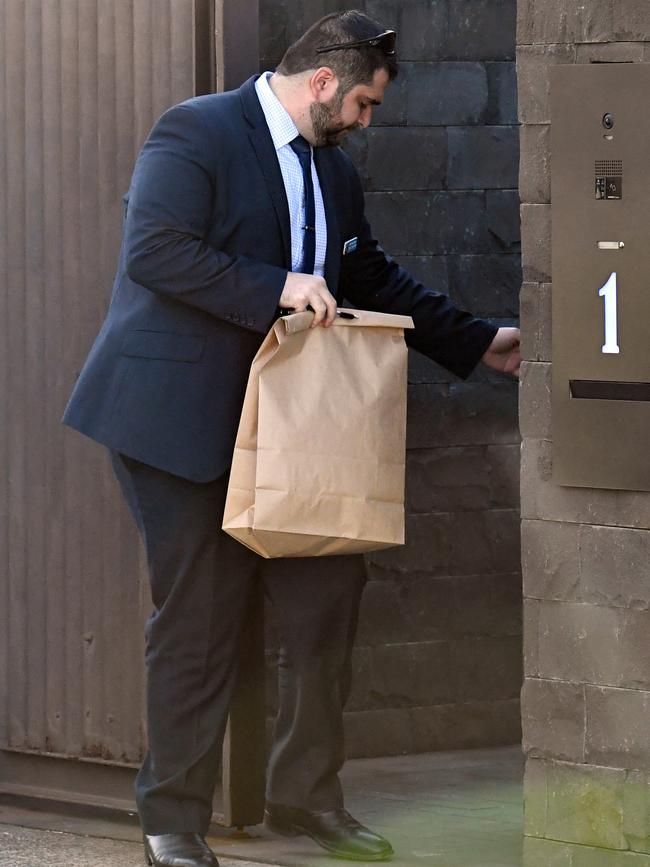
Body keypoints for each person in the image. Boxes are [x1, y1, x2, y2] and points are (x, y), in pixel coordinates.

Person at [62, 9, 521, 867]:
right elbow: (155, 251)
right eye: (362, 104)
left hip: (296, 433)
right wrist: (276, 284)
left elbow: (370, 273)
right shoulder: (195, 130)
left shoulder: (334, 174)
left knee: (325, 606)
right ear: (322, 83)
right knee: (200, 616)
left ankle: (309, 799)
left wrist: (475, 340)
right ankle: (173, 819)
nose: (365, 122)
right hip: (179, 420)